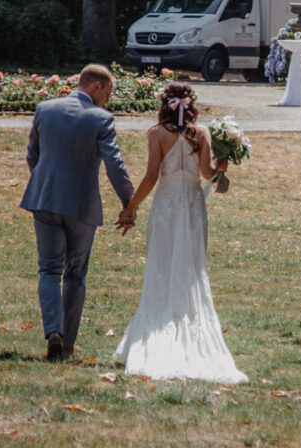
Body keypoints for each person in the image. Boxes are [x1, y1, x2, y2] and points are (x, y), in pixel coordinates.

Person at [112, 82, 247, 383]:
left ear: (164, 104)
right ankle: (187, 316)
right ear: (192, 105)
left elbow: (150, 177)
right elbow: (208, 174)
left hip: (166, 205)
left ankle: (158, 323)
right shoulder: (201, 134)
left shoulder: (156, 134)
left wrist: (130, 207)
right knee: (191, 265)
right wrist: (222, 163)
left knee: (161, 264)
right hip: (192, 204)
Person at [21, 64, 134, 360]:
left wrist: (44, 182)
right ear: (95, 86)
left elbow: (32, 154)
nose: (108, 99)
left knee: (48, 269)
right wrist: (129, 203)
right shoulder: (101, 118)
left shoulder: (45, 108)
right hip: (82, 204)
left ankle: (53, 332)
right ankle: (68, 342)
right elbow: (114, 166)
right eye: (107, 92)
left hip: (44, 199)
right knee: (75, 272)